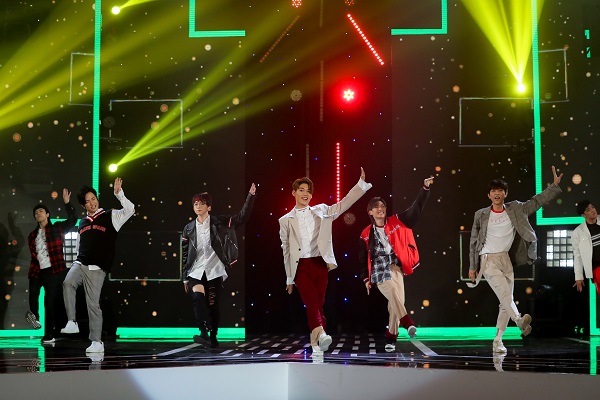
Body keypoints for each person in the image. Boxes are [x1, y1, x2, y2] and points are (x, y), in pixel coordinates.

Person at [468, 166, 563, 354]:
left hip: (506, 259)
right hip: (488, 260)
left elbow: (537, 201)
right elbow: (473, 241)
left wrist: (553, 186)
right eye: (493, 191)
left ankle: (498, 340)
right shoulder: (481, 214)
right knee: (505, 296)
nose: (497, 193)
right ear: (489, 195)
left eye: (500, 190)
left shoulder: (516, 209)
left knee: (505, 301)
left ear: (506, 194)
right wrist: (472, 266)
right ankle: (519, 320)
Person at [279, 168, 372, 355]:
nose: (306, 194)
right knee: (311, 302)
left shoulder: (321, 211)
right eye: (301, 190)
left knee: (318, 303)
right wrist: (289, 278)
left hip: (320, 263)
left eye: (308, 191)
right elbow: (286, 249)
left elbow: (343, 204)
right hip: (300, 267)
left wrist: (360, 185)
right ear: (294, 193)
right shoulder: (285, 220)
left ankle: (316, 341)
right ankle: (322, 334)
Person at [60, 177, 135, 353]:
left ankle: (97, 342)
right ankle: (72, 322)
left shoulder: (111, 216)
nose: (92, 203)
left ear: (97, 198)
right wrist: (77, 260)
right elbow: (79, 245)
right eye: (88, 201)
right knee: (67, 283)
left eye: (93, 198)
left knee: (92, 304)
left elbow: (130, 210)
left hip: (97, 267)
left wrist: (119, 194)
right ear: (83, 205)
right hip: (81, 262)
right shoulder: (83, 222)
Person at [359, 177, 434, 351]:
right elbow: (362, 259)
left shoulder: (397, 221)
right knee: (392, 292)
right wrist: (366, 279)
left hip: (395, 267)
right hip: (378, 270)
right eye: (376, 207)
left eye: (383, 206)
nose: (380, 209)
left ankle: (391, 338)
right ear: (370, 212)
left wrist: (424, 189)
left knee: (397, 302)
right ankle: (408, 323)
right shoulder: (365, 233)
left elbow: (416, 209)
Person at [181, 184, 256, 349]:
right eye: (195, 204)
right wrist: (185, 277)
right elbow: (185, 254)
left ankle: (213, 335)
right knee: (197, 298)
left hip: (214, 270)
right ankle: (203, 332)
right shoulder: (188, 228)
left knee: (212, 305)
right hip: (196, 270)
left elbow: (241, 217)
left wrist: (250, 197)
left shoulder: (220, 222)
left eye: (202, 203)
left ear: (209, 207)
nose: (198, 206)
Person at [26, 189, 77, 343]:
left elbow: (73, 220)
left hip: (53, 270)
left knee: (49, 302)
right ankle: (35, 318)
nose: (38, 214)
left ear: (47, 214)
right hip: (37, 271)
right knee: (33, 293)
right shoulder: (32, 235)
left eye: (41, 211)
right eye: (36, 213)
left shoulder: (57, 228)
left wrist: (67, 203)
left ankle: (49, 334)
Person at [571, 200, 600, 294]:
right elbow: (577, 256)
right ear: (583, 215)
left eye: (592, 207)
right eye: (588, 210)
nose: (592, 210)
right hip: (597, 267)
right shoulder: (577, 232)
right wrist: (578, 277)